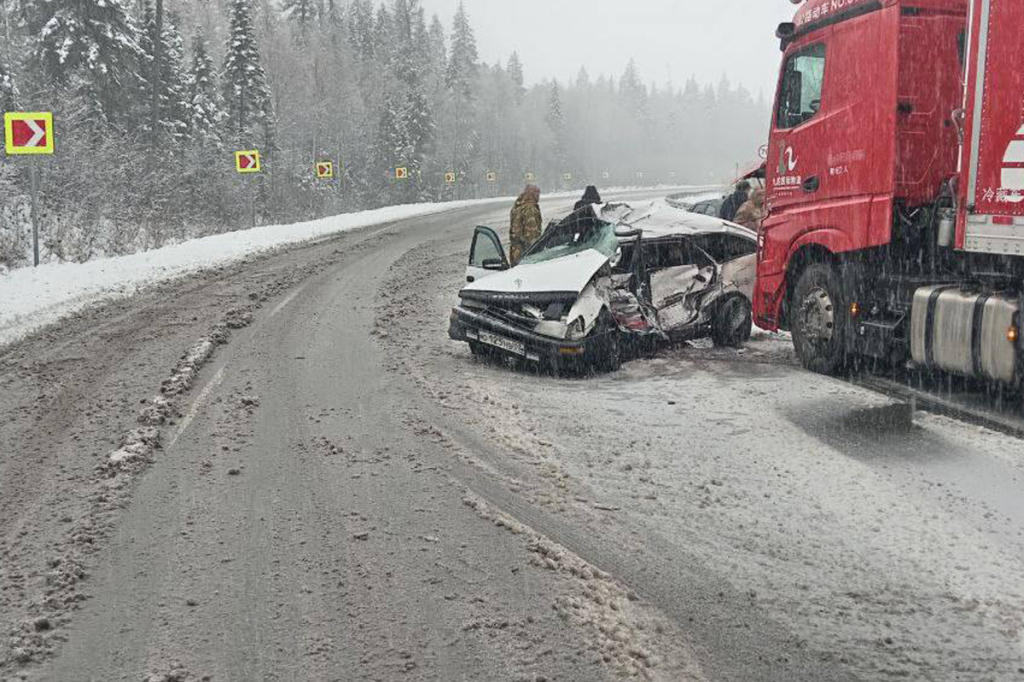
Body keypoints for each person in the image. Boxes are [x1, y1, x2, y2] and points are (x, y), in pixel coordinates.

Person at [509, 185, 543, 265]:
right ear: (531, 194)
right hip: (525, 254)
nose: (538, 195)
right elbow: (532, 235)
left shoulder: (517, 207)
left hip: (515, 251)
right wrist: (537, 253)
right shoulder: (529, 209)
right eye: (536, 193)